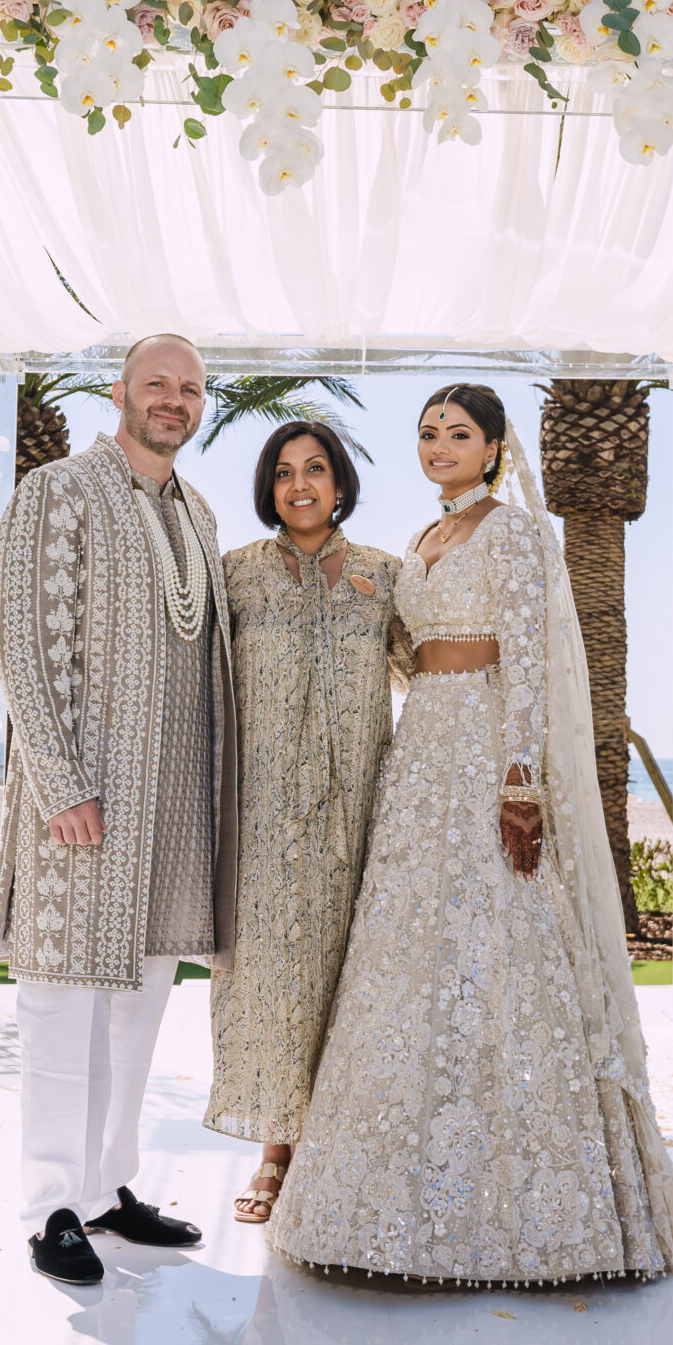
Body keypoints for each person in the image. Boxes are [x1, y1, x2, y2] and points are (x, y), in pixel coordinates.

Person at [268, 383, 673, 1285]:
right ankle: (383, 1194)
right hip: (422, 749)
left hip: (483, 750)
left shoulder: (515, 533)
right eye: (428, 432)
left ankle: (531, 1205)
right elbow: (411, 654)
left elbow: (532, 654)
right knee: (409, 947)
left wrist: (521, 777)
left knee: (500, 938)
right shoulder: (422, 538)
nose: (439, 446)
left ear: (496, 448)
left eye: (459, 434)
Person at [0, 333, 238, 1285]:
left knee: (138, 1008)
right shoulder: (57, 489)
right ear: (121, 393)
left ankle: (104, 1188)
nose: (174, 399)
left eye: (190, 388)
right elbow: (22, 639)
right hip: (84, 800)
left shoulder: (198, 513)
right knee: (61, 1002)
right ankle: (50, 1205)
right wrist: (60, 780)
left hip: (174, 807)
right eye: (157, 383)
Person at [206, 421, 410, 1225]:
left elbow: (430, 673)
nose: (300, 485)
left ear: (340, 482)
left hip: (358, 812)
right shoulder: (236, 575)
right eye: (284, 471)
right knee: (268, 979)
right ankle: (275, 1151)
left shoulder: (384, 575)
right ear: (268, 486)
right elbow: (201, 683)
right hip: (260, 820)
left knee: (350, 974)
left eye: (316, 468)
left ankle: (344, 1148)